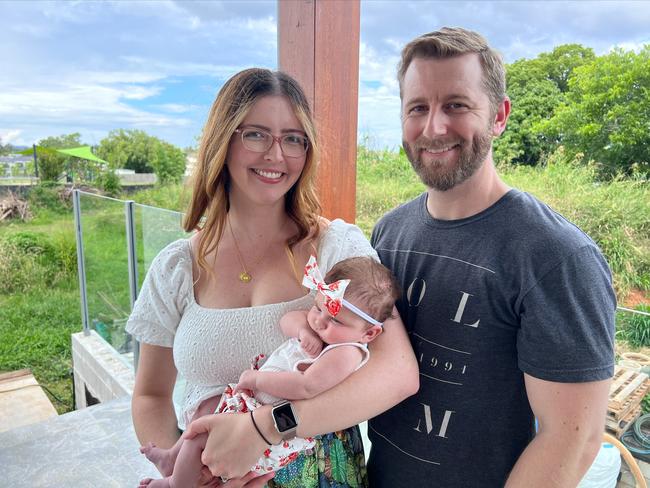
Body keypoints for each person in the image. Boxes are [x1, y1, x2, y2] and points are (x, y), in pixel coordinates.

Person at [126, 67, 419, 488]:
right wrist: (189, 473)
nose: (276, 155)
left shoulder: (337, 249)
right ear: (223, 140)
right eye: (256, 134)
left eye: (293, 139)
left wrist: (265, 428)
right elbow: (151, 394)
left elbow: (397, 373)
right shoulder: (176, 267)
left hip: (320, 473)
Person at [367, 27, 617, 487]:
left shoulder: (556, 256)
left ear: (499, 116)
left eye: (456, 106)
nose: (434, 127)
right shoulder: (388, 233)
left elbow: (572, 440)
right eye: (418, 108)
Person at [138, 256, 401, 488]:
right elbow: (287, 320)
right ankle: (173, 456)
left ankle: (174, 483)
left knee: (203, 441)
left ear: (369, 333)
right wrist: (304, 331)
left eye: (334, 319)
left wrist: (256, 378)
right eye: (317, 308)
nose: (320, 320)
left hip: (275, 429)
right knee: (200, 429)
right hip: (252, 406)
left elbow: (305, 386)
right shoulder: (325, 332)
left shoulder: (345, 352)